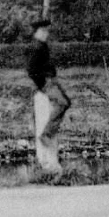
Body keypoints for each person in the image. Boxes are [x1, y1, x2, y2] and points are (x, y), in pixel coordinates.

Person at [25, 19, 71, 155]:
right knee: (62, 103)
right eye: (43, 31)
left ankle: (48, 131)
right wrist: (42, 84)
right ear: (37, 32)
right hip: (46, 82)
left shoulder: (41, 45)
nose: (46, 33)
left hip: (50, 80)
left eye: (47, 31)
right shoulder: (36, 47)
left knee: (66, 102)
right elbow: (31, 70)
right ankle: (46, 133)